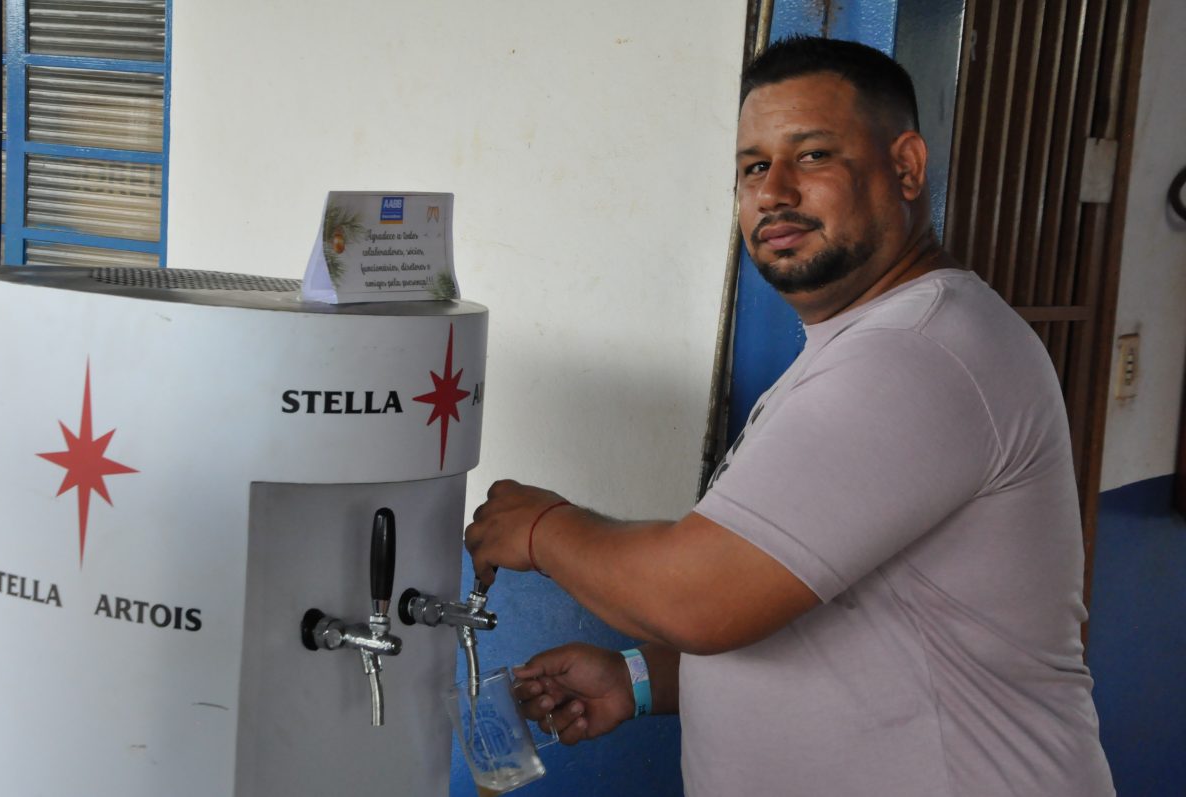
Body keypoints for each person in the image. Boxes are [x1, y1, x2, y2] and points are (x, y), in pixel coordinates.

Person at [464, 35, 1114, 796]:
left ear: (906, 167)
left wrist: (541, 529)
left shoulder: (916, 352)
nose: (772, 191)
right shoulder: (862, 346)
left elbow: (702, 597)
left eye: (812, 156)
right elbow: (825, 614)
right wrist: (636, 678)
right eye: (752, 167)